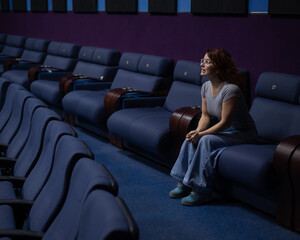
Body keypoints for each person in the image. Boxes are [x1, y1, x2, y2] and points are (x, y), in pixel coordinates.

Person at [169, 48, 258, 206]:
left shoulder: (231, 90)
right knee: (192, 136)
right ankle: (185, 182)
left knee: (206, 140)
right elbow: (205, 116)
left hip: (244, 133)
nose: (202, 64)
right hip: (227, 131)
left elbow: (225, 122)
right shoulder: (205, 86)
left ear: (218, 67)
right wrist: (197, 131)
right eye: (202, 60)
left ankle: (202, 191)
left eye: (207, 62)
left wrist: (202, 135)